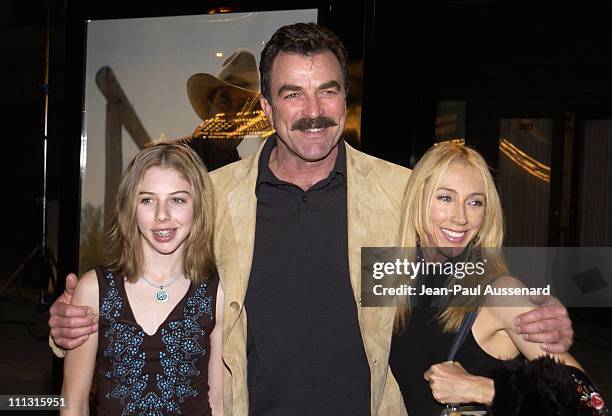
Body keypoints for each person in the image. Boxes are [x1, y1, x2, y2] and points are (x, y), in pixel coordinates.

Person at [50, 23, 574, 415]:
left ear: (345, 99)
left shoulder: (400, 192)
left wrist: (528, 305)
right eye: (292, 93)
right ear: (266, 105)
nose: (313, 110)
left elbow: (456, 271)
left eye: (327, 90)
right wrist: (72, 321)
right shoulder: (214, 195)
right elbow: (150, 283)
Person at [389, 142, 606, 415]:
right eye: (445, 198)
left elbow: (591, 405)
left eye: (475, 202)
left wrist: (483, 389)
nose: (461, 217)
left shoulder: (501, 293)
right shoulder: (394, 277)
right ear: (416, 200)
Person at [60, 143, 224, 415]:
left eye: (178, 200)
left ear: (199, 207)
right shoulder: (93, 289)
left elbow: (217, 403)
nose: (162, 215)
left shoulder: (216, 292)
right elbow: (73, 404)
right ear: (130, 207)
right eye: (147, 199)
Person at [183, 48, 273, 171]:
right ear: (210, 105)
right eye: (225, 102)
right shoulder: (170, 160)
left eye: (243, 107)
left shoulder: (245, 179)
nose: (232, 114)